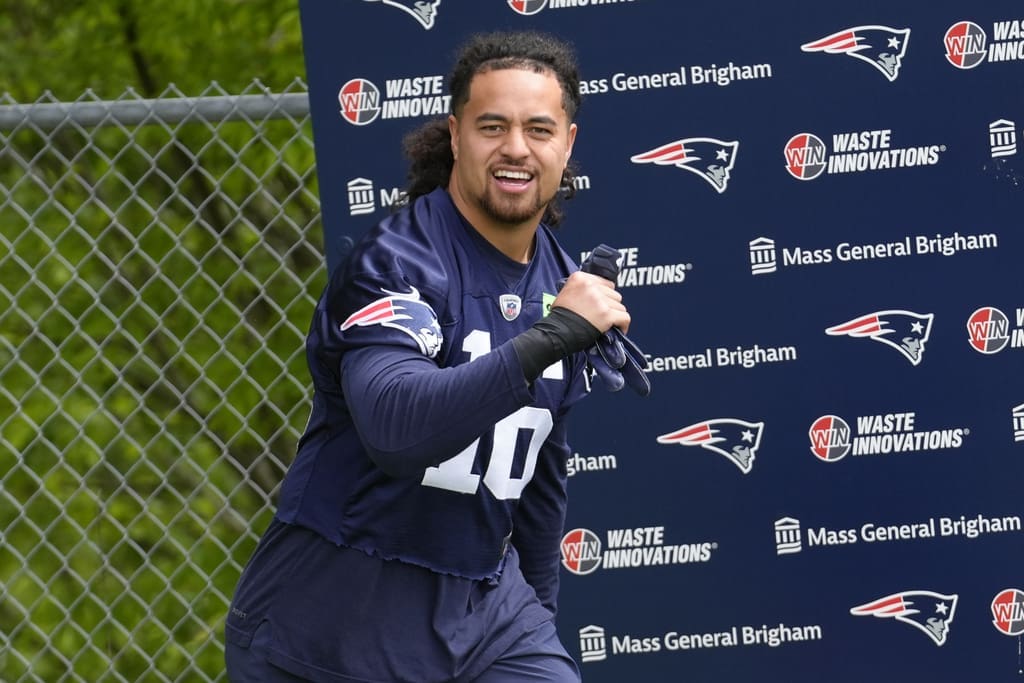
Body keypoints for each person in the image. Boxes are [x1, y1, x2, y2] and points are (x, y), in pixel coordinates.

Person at [224, 30, 634, 682]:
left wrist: (536, 623)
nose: (516, 148)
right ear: (455, 135)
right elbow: (394, 425)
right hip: (336, 616)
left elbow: (537, 476)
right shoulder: (396, 261)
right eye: (492, 126)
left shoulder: (559, 278)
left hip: (481, 610)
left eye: (539, 128)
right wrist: (552, 337)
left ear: (569, 144)